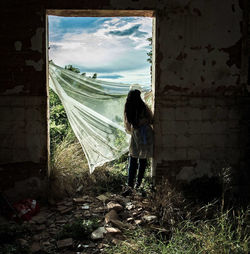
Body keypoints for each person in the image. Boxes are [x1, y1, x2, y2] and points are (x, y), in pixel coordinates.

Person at [122, 89, 153, 196]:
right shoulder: (142, 106)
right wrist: (144, 122)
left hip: (136, 134)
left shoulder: (128, 107)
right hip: (146, 133)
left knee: (133, 158)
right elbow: (151, 118)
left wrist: (135, 128)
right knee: (143, 159)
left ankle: (130, 185)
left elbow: (127, 125)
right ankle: (138, 184)